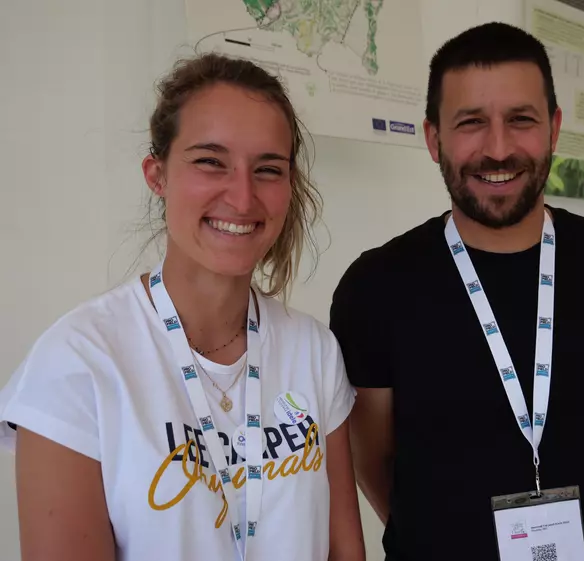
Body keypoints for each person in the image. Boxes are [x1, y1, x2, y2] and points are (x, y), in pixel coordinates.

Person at [329, 22, 584, 561]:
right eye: (471, 123)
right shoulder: (374, 287)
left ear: (554, 129)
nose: (497, 149)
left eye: (521, 120)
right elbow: (373, 465)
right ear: (434, 139)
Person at [0, 52, 365, 561]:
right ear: (157, 174)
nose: (241, 197)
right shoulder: (76, 363)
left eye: (267, 169)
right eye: (210, 161)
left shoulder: (314, 351)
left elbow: (344, 551)